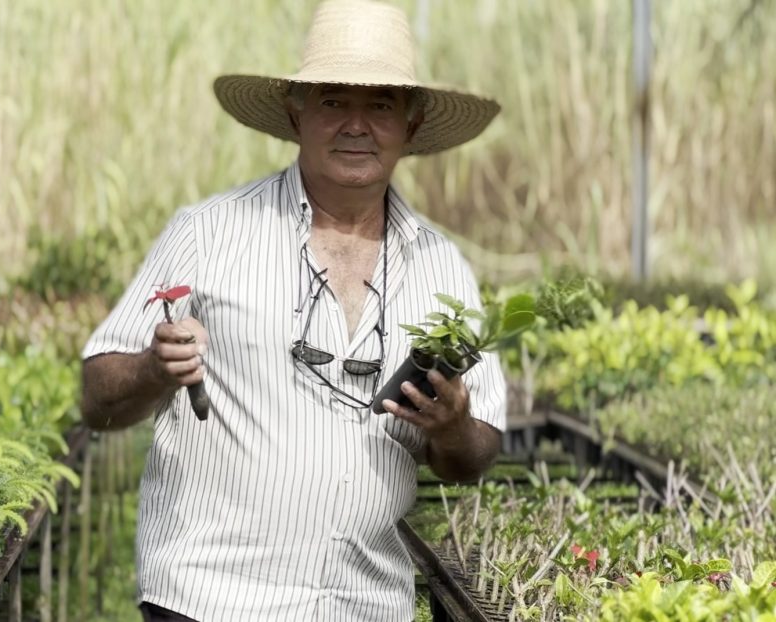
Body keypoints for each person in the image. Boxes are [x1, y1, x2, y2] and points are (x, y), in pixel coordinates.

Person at [80, 1, 506, 620]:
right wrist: (153, 368)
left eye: (381, 105)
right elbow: (97, 395)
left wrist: (453, 427)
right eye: (333, 101)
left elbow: (478, 453)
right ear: (296, 113)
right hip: (210, 599)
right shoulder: (208, 233)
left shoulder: (440, 267)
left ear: (409, 128)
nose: (356, 125)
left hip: (363, 603)